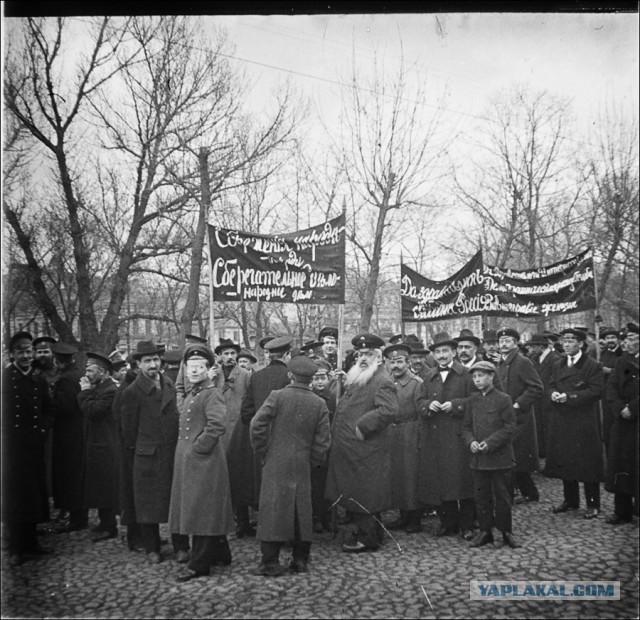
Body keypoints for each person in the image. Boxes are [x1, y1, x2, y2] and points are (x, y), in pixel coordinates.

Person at [249, 356, 331, 576]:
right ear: (311, 379)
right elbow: (323, 441)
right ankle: (300, 560)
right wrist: (313, 461)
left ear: (290, 375)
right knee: (302, 510)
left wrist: (263, 451)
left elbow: (256, 425)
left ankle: (270, 562)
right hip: (303, 463)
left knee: (272, 509)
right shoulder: (319, 403)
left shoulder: (277, 396)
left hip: (275, 461)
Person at [325, 333, 398, 552]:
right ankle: (371, 532)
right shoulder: (361, 374)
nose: (363, 357)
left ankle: (368, 539)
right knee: (359, 492)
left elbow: (389, 410)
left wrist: (362, 426)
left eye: (369, 354)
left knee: (366, 493)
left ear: (378, 356)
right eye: (360, 354)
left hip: (366, 446)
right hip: (353, 449)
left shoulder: (382, 379)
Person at [169, 345, 235, 582]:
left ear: (209, 370)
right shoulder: (193, 392)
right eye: (191, 367)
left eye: (200, 367)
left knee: (202, 511)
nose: (194, 371)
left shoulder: (211, 393)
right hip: (189, 461)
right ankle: (221, 553)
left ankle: (200, 564)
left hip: (204, 461)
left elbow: (217, 425)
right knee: (202, 508)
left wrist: (198, 448)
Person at [121, 340, 180, 564]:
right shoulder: (132, 392)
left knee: (174, 501)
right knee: (147, 504)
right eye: (147, 361)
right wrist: (140, 452)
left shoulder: (169, 384)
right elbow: (128, 431)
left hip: (171, 452)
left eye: (156, 359)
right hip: (147, 456)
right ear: (138, 364)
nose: (153, 364)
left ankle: (181, 545)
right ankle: (152, 548)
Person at [228, 335, 292, 538]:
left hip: (253, 436)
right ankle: (274, 529)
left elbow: (246, 412)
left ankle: (243, 524)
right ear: (287, 355)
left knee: (245, 479)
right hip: (280, 438)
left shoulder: (255, 376)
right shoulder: (290, 377)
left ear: (269, 356)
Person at [1, 331, 55, 566]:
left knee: (33, 494)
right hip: (11, 448)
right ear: (12, 354)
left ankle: (32, 543)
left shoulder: (38, 379)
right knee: (15, 496)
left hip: (33, 445)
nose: (25, 355)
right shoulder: (5, 378)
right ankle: (15, 547)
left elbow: (49, 410)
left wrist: (42, 430)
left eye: (28, 351)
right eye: (20, 351)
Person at [417, 331, 476, 540]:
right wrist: (427, 405)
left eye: (445, 351)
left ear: (453, 352)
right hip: (435, 437)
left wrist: (456, 405)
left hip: (458, 435)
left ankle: (468, 524)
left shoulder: (466, 374)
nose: (441, 355)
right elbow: (419, 401)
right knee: (441, 481)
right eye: (437, 352)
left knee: (462, 480)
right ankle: (447, 522)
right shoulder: (429, 376)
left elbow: (476, 401)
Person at [543, 328, 605, 519]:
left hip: (583, 420)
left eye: (571, 342)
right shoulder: (558, 363)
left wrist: (570, 396)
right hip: (562, 419)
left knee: (588, 463)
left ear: (580, 344)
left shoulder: (592, 365)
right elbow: (550, 384)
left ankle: (593, 504)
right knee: (566, 459)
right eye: (564, 341)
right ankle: (571, 500)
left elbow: (597, 391)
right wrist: (552, 393)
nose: (566, 345)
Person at [461, 361, 519, 548]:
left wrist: (490, 443)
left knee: (502, 497)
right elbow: (466, 427)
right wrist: (471, 442)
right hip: (478, 459)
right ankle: (485, 531)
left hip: (499, 458)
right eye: (475, 376)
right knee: (481, 496)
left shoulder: (504, 399)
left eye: (481, 376)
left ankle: (506, 531)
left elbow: (509, 427)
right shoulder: (472, 400)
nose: (477, 380)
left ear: (491, 376)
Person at [496, 327, 543, 505]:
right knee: (514, 458)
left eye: (508, 340)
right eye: (501, 341)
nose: (504, 344)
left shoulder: (522, 362)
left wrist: (519, 403)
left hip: (520, 417)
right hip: (505, 417)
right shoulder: (500, 363)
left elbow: (537, 388)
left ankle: (514, 494)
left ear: (515, 343)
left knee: (516, 456)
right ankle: (529, 492)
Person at [77, 352, 120, 541]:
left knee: (105, 488)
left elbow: (93, 411)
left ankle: (110, 527)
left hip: (106, 447)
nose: (86, 374)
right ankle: (104, 522)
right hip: (98, 444)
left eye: (90, 370)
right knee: (99, 486)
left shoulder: (110, 390)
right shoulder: (101, 387)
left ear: (102, 372)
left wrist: (84, 392)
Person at [383, 343, 425, 534]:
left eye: (399, 362)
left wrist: (419, 438)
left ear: (408, 363)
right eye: (392, 362)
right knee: (398, 476)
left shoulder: (416, 383)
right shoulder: (387, 382)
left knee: (411, 476)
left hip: (410, 431)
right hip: (392, 433)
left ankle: (415, 518)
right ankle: (403, 515)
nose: (396, 366)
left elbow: (421, 413)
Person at [50, 343, 87, 533]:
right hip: (80, 431)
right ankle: (80, 516)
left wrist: (50, 402)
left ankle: (76, 519)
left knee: (69, 477)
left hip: (67, 435)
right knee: (78, 476)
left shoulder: (64, 379)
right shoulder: (80, 374)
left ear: (58, 361)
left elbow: (63, 407)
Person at [604, 323, 639, 525]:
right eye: (625, 339)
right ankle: (622, 510)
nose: (627, 343)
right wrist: (620, 409)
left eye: (632, 338)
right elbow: (612, 388)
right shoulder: (621, 362)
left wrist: (633, 408)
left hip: (636, 417)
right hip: (623, 422)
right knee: (621, 464)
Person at [112, 355, 142, 552]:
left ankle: (141, 535)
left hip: (136, 447)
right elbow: (123, 422)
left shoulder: (132, 385)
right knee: (132, 494)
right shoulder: (128, 390)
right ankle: (134, 538)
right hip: (130, 450)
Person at [310, 359, 337, 533]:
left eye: (323, 378)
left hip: (329, 447)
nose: (320, 382)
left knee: (327, 483)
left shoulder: (334, 398)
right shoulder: (309, 399)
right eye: (316, 378)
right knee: (313, 484)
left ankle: (327, 515)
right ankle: (314, 516)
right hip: (312, 447)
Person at [524, 333, 562, 458]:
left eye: (533, 347)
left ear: (541, 346)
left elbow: (555, 380)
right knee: (540, 426)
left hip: (549, 399)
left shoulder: (555, 359)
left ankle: (551, 454)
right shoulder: (536, 359)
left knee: (549, 427)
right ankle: (542, 452)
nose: (532, 350)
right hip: (539, 399)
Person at [213, 339, 251, 450]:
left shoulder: (246, 375)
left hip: (237, 425)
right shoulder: (214, 374)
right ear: (220, 355)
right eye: (226, 353)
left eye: (233, 353)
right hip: (218, 424)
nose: (230, 357)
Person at [600, 327, 623, 449]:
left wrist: (610, 371)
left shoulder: (623, 353)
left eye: (613, 337)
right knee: (607, 426)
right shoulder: (602, 353)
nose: (610, 340)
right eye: (607, 338)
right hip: (605, 394)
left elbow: (629, 371)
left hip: (619, 394)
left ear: (618, 340)